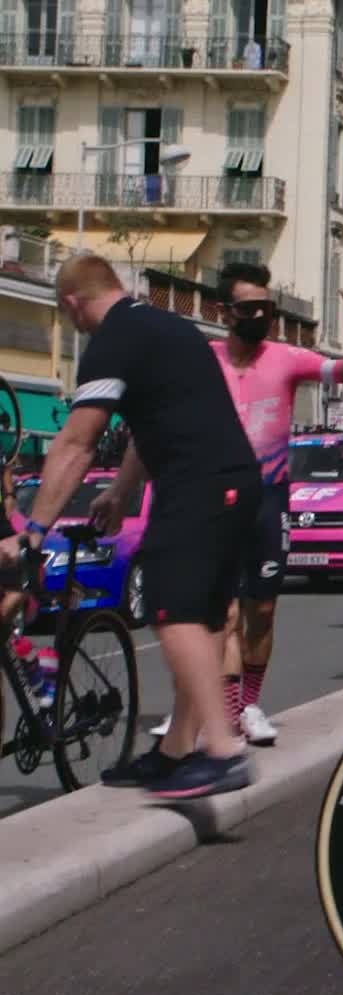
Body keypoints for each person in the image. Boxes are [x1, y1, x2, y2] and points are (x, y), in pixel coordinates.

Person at [2, 254, 261, 798]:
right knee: (206, 615)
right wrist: (121, 491)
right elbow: (154, 422)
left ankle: (223, 750)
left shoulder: (112, 341)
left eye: (68, 315)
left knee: (172, 608)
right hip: (234, 480)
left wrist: (35, 531)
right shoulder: (168, 327)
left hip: (197, 484)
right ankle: (176, 751)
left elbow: (77, 442)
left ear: (73, 303)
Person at [147, 261, 343, 747]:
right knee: (218, 611)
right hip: (215, 497)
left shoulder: (287, 358)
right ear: (224, 311)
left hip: (269, 498)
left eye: (267, 308)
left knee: (262, 610)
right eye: (249, 308)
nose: (260, 317)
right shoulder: (202, 359)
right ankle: (203, 711)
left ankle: (248, 704)